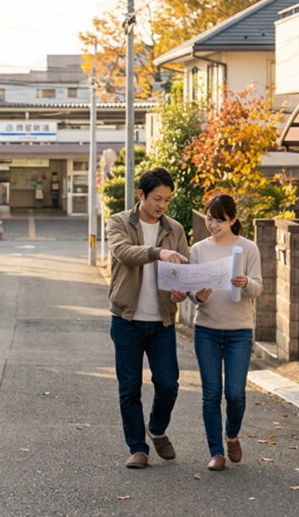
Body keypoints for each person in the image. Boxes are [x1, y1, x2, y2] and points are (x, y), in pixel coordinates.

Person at [170, 193, 262, 471]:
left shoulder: (248, 248)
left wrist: (246, 282)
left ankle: (232, 435)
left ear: (233, 219)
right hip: (207, 329)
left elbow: (259, 288)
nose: (213, 225)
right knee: (211, 393)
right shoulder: (198, 249)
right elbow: (190, 293)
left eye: (219, 220)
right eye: (209, 218)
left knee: (235, 393)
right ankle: (216, 452)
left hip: (239, 330)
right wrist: (199, 295)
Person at [106, 167, 189, 469]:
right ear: (141, 195)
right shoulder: (119, 222)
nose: (162, 205)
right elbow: (123, 252)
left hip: (162, 322)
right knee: (129, 387)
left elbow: (184, 269)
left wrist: (183, 291)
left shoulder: (175, 229)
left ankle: (156, 428)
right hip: (126, 319)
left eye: (167, 200)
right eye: (157, 198)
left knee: (168, 384)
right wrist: (157, 253)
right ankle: (137, 448)